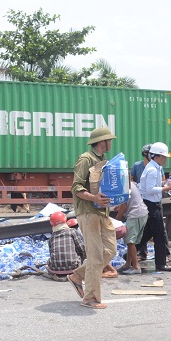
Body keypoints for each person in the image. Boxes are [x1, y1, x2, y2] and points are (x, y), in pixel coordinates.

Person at [67, 127, 118, 309]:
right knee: (96, 256)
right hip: (88, 212)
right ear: (102, 142)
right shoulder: (86, 159)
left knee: (110, 251)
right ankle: (90, 298)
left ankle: (77, 276)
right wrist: (94, 198)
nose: (111, 143)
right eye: (109, 140)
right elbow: (76, 188)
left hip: (102, 212)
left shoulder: (102, 161)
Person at [137, 142, 171, 271]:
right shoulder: (153, 169)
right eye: (164, 157)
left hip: (151, 204)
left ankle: (130, 253)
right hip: (151, 205)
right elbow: (150, 189)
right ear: (157, 156)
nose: (165, 159)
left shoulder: (155, 168)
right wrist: (167, 187)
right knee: (159, 234)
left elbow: (153, 184)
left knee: (148, 233)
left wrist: (165, 183)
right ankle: (160, 264)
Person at [115, 181, 148, 274]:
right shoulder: (129, 183)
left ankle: (136, 266)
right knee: (131, 241)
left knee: (130, 241)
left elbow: (124, 206)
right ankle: (128, 264)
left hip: (135, 214)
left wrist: (115, 221)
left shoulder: (123, 185)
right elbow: (126, 202)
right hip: (141, 213)